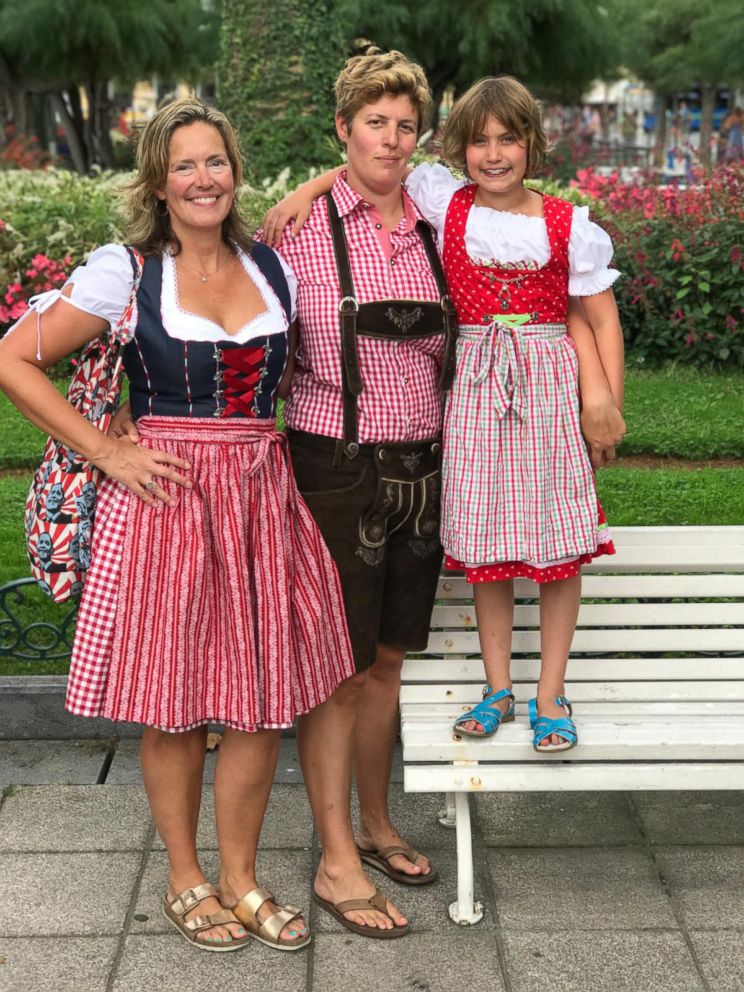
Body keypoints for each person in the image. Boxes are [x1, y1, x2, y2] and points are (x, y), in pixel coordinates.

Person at [258, 55, 624, 930]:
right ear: (342, 129)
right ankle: (337, 860)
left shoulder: (435, 212)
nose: (389, 139)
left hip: (435, 457)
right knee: (340, 671)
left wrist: (600, 391)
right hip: (337, 462)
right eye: (371, 123)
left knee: (387, 662)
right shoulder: (302, 229)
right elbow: (238, 317)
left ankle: (378, 824)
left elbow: (579, 309)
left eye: (401, 124)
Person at [0, 98, 355, 952]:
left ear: (236, 171)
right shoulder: (123, 273)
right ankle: (184, 875)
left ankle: (240, 878)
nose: (205, 179)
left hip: (259, 497)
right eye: (186, 164)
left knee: (262, 700)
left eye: (218, 162)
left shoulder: (275, 268)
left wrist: (325, 175)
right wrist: (106, 450)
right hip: (165, 497)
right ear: (158, 181)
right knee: (175, 703)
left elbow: (415, 172)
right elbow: (13, 358)